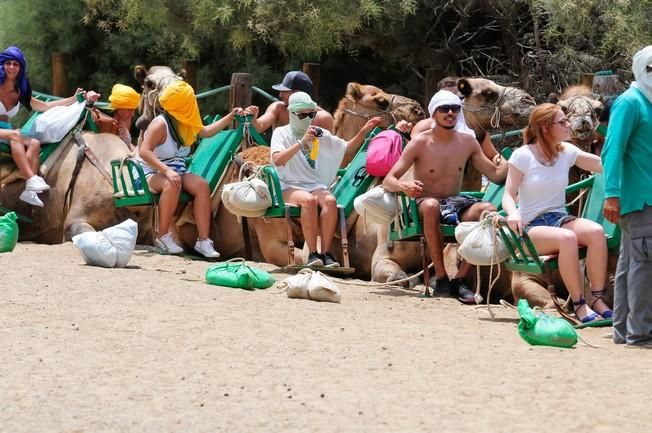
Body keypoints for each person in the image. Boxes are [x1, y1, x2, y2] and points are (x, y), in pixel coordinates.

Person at [383, 90, 507, 303]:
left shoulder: (468, 142)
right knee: (431, 205)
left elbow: (495, 175)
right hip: (425, 201)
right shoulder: (420, 142)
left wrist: (504, 160)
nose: (450, 113)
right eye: (444, 109)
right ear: (434, 114)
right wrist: (404, 186)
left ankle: (459, 279)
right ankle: (441, 277)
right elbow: (389, 180)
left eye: (454, 109)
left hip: (454, 202)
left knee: (487, 210)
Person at [503, 103, 611, 324]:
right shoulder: (522, 156)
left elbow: (602, 165)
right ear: (545, 128)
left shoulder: (566, 152)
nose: (568, 125)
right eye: (562, 122)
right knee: (567, 238)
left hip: (558, 219)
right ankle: (580, 305)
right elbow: (508, 194)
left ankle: (597, 300)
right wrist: (513, 213)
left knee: (596, 232)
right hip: (531, 225)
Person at [271, 91, 380, 267]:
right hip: (287, 185)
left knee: (329, 201)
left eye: (311, 114)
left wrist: (364, 131)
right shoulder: (281, 133)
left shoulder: (318, 133)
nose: (307, 118)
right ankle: (312, 253)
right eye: (303, 114)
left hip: (312, 184)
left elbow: (346, 148)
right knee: (309, 201)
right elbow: (277, 159)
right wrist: (301, 143)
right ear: (292, 113)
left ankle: (325, 253)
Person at [138, 80, 244, 259]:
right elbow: (144, 152)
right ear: (183, 104)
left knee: (202, 185)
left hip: (177, 172)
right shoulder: (160, 124)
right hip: (153, 172)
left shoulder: (185, 122)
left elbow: (207, 132)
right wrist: (166, 171)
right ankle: (163, 236)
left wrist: (231, 116)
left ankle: (203, 240)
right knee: (172, 184)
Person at [0, 45, 99, 207]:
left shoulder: (20, 91)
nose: (11, 67)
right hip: (7, 133)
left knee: (34, 143)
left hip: (6, 130)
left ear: (20, 67)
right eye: (8, 63)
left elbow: (44, 107)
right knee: (16, 135)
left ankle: (28, 191)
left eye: (15, 64)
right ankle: (32, 178)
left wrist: (72, 99)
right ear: (3, 65)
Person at [602, 45, 652, 346]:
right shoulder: (631, 102)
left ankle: (623, 331)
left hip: (643, 200)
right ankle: (641, 333)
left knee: (631, 265)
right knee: (643, 267)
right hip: (640, 200)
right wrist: (611, 194)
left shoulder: (646, 102)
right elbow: (612, 150)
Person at [251, 71, 334, 133]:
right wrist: (252, 118)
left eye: (284, 91)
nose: (280, 95)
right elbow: (258, 128)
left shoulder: (323, 118)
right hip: (280, 155)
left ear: (297, 93)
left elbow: (329, 147)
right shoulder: (278, 108)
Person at [107, 83, 140, 150]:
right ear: (118, 108)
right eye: (129, 110)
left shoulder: (125, 120)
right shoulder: (107, 124)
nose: (132, 114)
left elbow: (127, 145)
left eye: (134, 110)